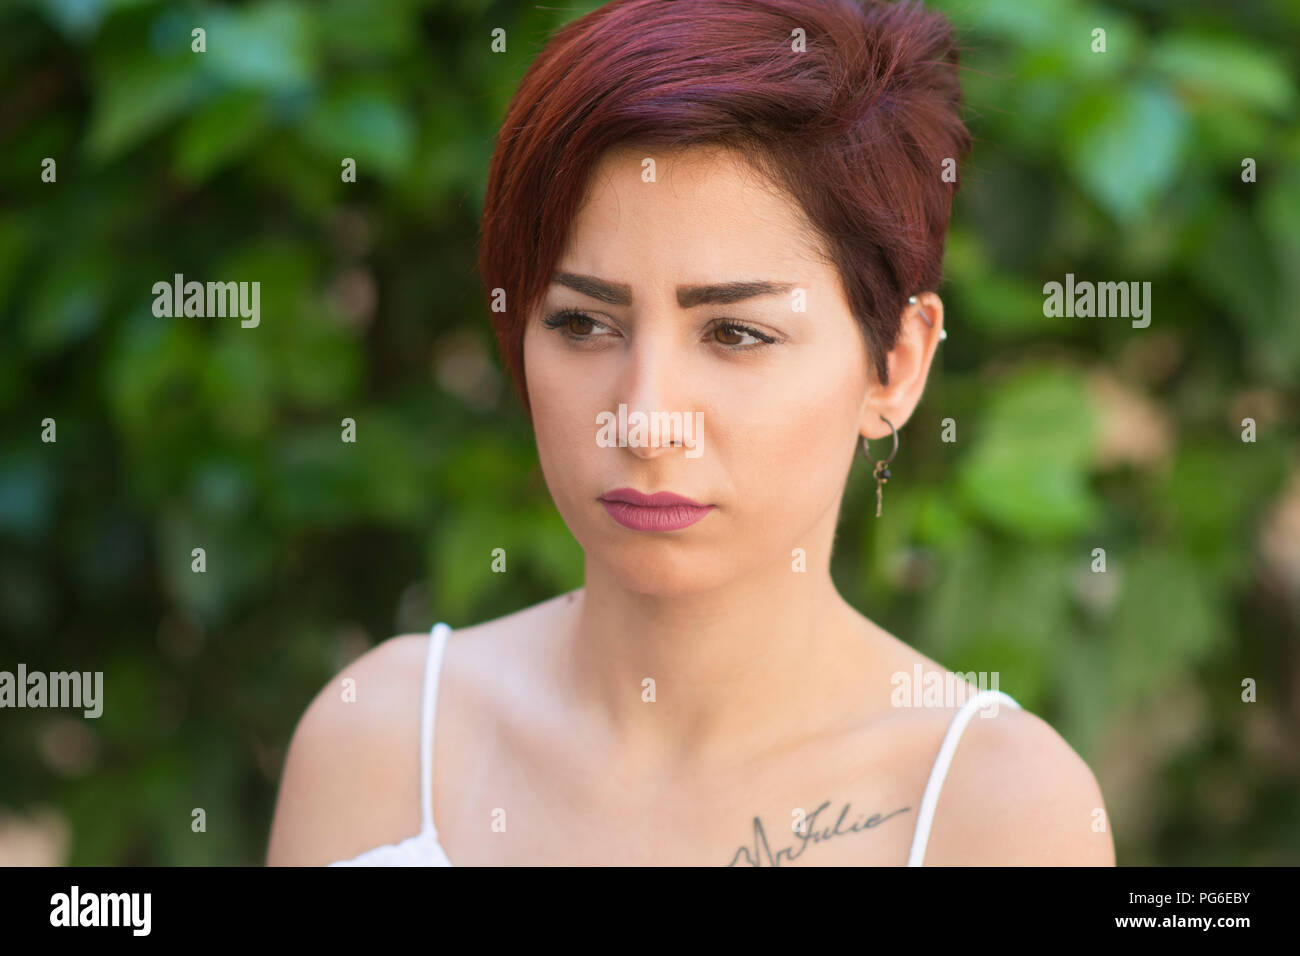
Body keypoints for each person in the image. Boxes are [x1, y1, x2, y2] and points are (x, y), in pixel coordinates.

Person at [267, 0, 1114, 866]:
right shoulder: (381, 741)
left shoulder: (996, 811)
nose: (643, 418)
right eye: (584, 324)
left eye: (735, 333)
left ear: (894, 364)